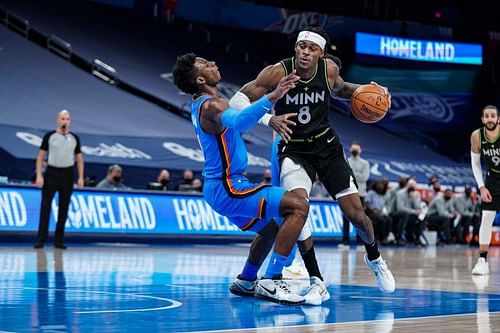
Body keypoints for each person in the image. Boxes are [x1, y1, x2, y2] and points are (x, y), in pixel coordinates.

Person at [228, 26, 395, 294]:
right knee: (298, 210)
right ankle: (315, 278)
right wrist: (268, 118)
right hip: (294, 150)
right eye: (301, 46)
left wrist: (370, 89)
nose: (305, 52)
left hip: (326, 147)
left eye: (312, 48)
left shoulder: (328, 70)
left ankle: (374, 258)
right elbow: (236, 102)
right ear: (296, 47)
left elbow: (341, 89)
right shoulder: (277, 72)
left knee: (357, 216)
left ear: (321, 53)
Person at [172, 52, 309, 305]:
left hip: (220, 187)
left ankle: (246, 280)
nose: (213, 63)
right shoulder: (212, 105)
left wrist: (269, 118)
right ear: (201, 79)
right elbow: (238, 121)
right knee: (299, 206)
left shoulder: (204, 103)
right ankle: (271, 280)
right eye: (206, 64)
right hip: (228, 187)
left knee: (270, 231)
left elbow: (239, 116)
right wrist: (273, 96)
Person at [34, 110, 84, 249]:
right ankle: (41, 238)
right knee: (45, 206)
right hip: (52, 172)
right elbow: (40, 156)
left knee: (64, 207)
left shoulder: (74, 138)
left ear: (70, 121)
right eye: (62, 119)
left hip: (67, 174)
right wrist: (39, 175)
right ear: (58, 120)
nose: (65, 121)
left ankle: (59, 240)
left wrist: (80, 177)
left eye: (67, 119)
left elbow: (79, 158)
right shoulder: (50, 136)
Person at [471, 105, 500, 275]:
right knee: (487, 218)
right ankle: (482, 260)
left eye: (493, 116)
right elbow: (475, 163)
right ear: (483, 119)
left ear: (498, 119)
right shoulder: (477, 136)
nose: (490, 119)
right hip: (492, 179)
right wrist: (481, 187)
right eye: (486, 116)